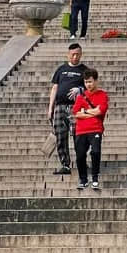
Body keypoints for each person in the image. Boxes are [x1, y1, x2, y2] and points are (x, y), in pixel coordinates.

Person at [48, 43, 87, 176]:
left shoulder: (84, 70)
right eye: (73, 54)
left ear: (81, 54)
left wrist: (80, 89)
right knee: (60, 135)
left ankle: (82, 161)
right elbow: (55, 88)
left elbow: (91, 89)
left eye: (78, 54)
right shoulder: (61, 69)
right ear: (68, 54)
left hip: (76, 107)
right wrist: (50, 107)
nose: (75, 57)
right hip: (60, 106)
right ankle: (65, 164)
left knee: (78, 135)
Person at [71, 68, 109, 191]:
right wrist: (91, 113)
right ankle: (83, 179)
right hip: (81, 130)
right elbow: (76, 113)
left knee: (96, 152)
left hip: (95, 129)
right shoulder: (80, 97)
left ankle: (95, 177)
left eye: (91, 82)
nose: (88, 84)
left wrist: (85, 111)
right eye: (86, 82)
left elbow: (100, 110)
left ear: (96, 81)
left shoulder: (102, 95)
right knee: (80, 155)